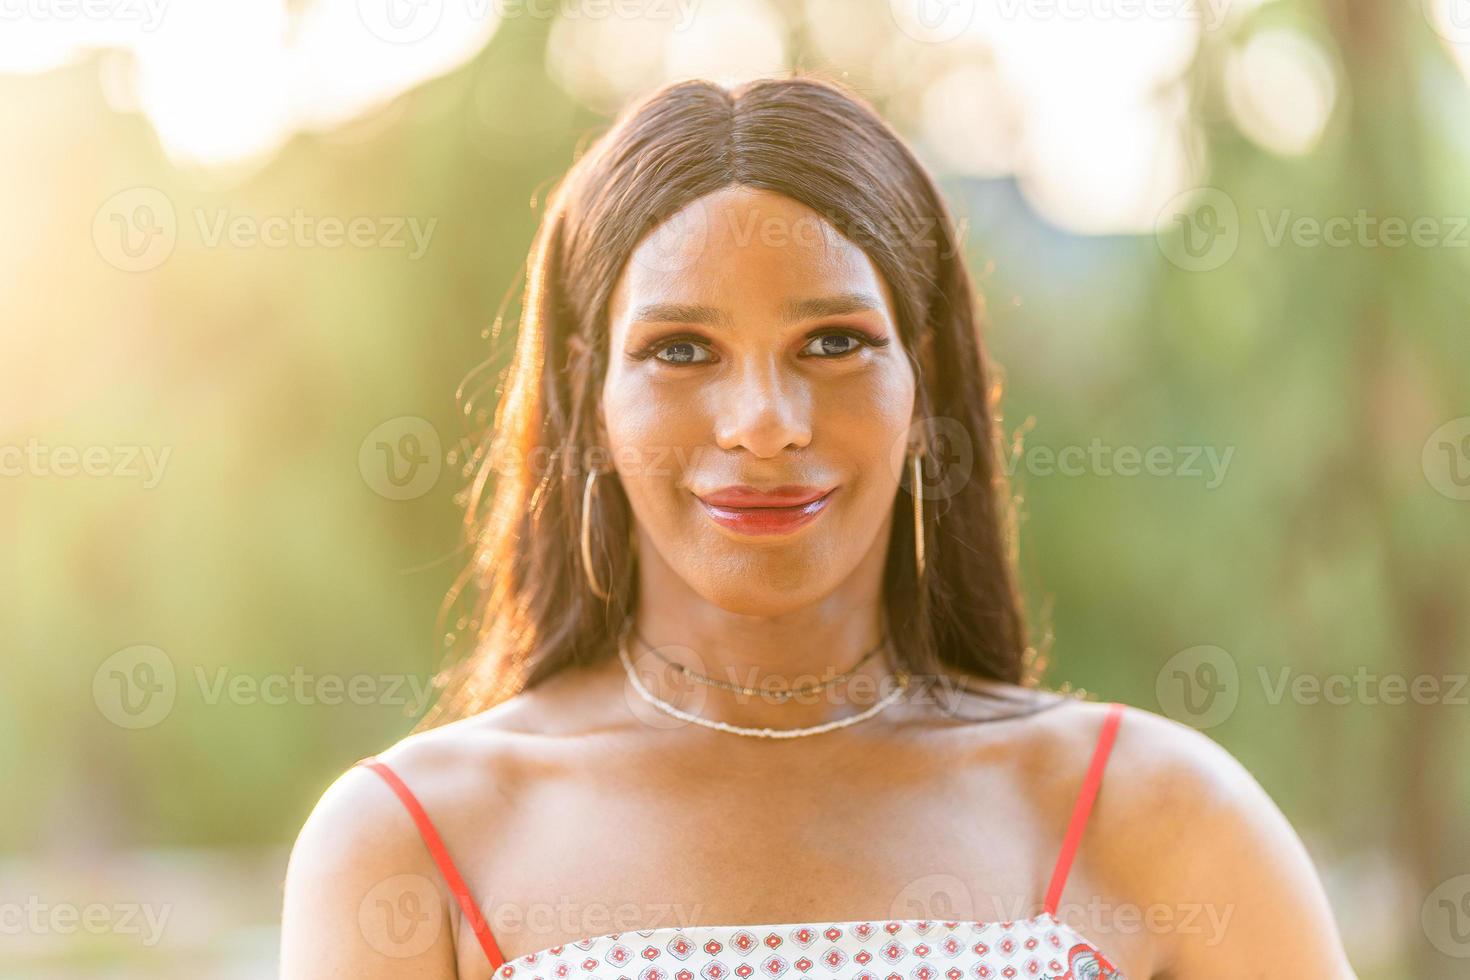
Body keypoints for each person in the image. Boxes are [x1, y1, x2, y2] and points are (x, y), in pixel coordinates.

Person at [280, 75, 1357, 980]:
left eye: (833, 342)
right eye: (682, 350)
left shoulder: (1155, 812)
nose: (763, 423)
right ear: (588, 394)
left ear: (925, 376)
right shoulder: (411, 842)